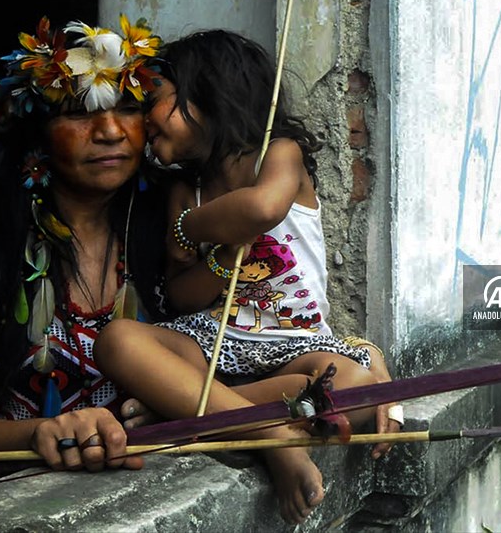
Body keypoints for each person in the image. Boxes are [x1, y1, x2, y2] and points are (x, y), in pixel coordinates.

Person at [94, 29, 400, 525]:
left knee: (352, 389)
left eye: (155, 99)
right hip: (215, 343)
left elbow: (260, 208)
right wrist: (219, 259)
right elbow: (181, 294)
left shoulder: (277, 155)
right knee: (119, 341)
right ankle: (266, 430)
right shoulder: (184, 189)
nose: (143, 117)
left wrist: (193, 227)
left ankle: (194, 412)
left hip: (292, 344)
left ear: (205, 92)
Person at [0, 16, 167, 476]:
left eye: (127, 108)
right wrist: (37, 433)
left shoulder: (171, 224)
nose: (110, 131)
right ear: (37, 133)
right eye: (78, 112)